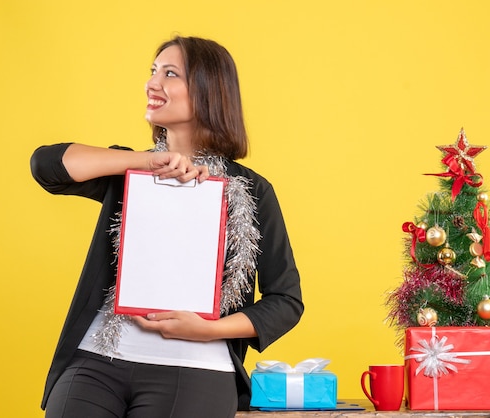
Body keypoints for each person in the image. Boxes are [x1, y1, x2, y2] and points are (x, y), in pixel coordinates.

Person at [30, 35, 303, 418]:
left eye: (170, 73)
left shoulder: (253, 190)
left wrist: (206, 330)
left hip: (196, 371)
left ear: (209, 92)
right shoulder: (128, 169)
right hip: (95, 362)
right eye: (153, 71)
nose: (152, 83)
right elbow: (46, 165)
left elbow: (285, 301)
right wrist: (144, 161)